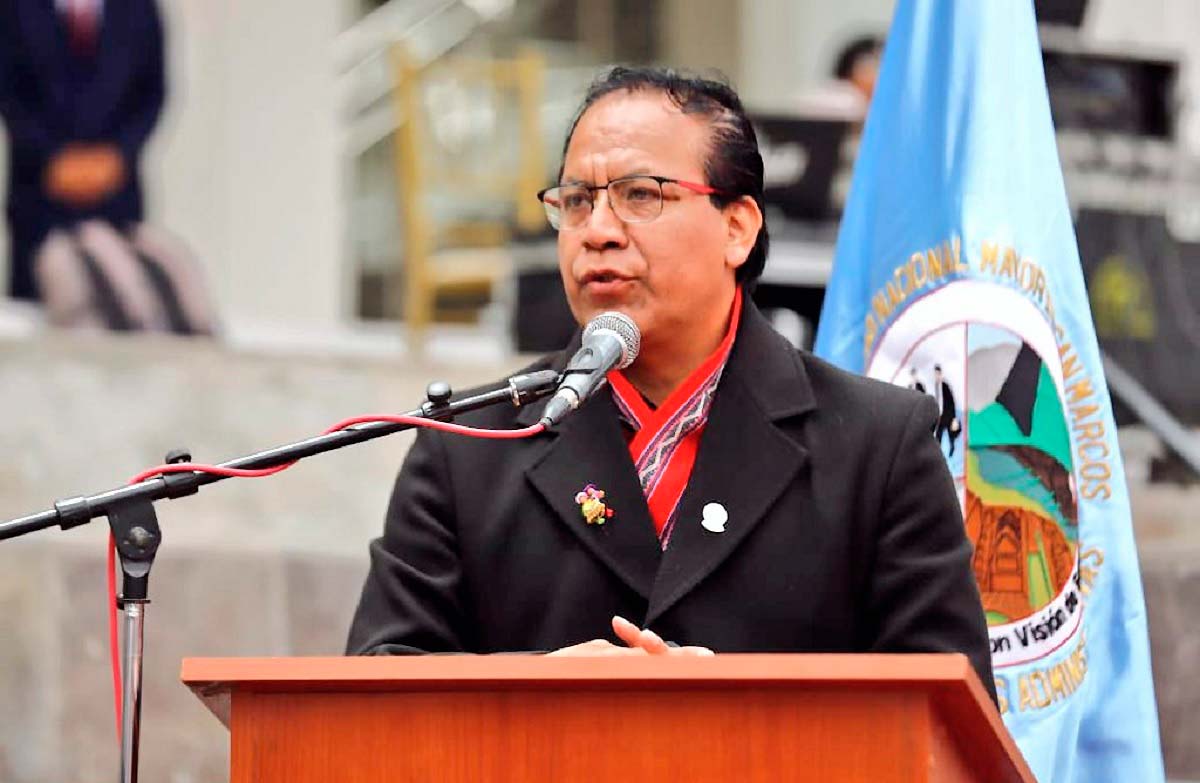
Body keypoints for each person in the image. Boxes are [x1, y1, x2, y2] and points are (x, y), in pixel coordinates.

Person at [346, 67, 994, 700]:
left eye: (640, 195)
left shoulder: (877, 446)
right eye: (576, 201)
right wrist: (538, 687)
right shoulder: (467, 445)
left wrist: (730, 714)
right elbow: (374, 695)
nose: (597, 232)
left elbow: (942, 721)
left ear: (737, 228)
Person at [0, 0, 166, 302]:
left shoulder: (139, 7)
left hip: (116, 197)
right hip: (39, 200)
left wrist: (116, 157)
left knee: (123, 301)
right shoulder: (14, 8)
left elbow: (151, 93)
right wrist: (53, 159)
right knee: (38, 311)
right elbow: (10, 94)